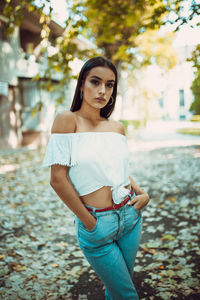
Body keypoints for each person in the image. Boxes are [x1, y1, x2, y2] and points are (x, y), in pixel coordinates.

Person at [43, 56, 149, 300]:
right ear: (81, 84)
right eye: (95, 82)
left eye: (110, 85)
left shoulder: (117, 127)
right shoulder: (67, 120)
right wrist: (88, 221)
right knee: (127, 295)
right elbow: (58, 179)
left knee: (117, 290)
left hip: (131, 218)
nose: (103, 90)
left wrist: (143, 194)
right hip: (97, 224)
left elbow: (118, 171)